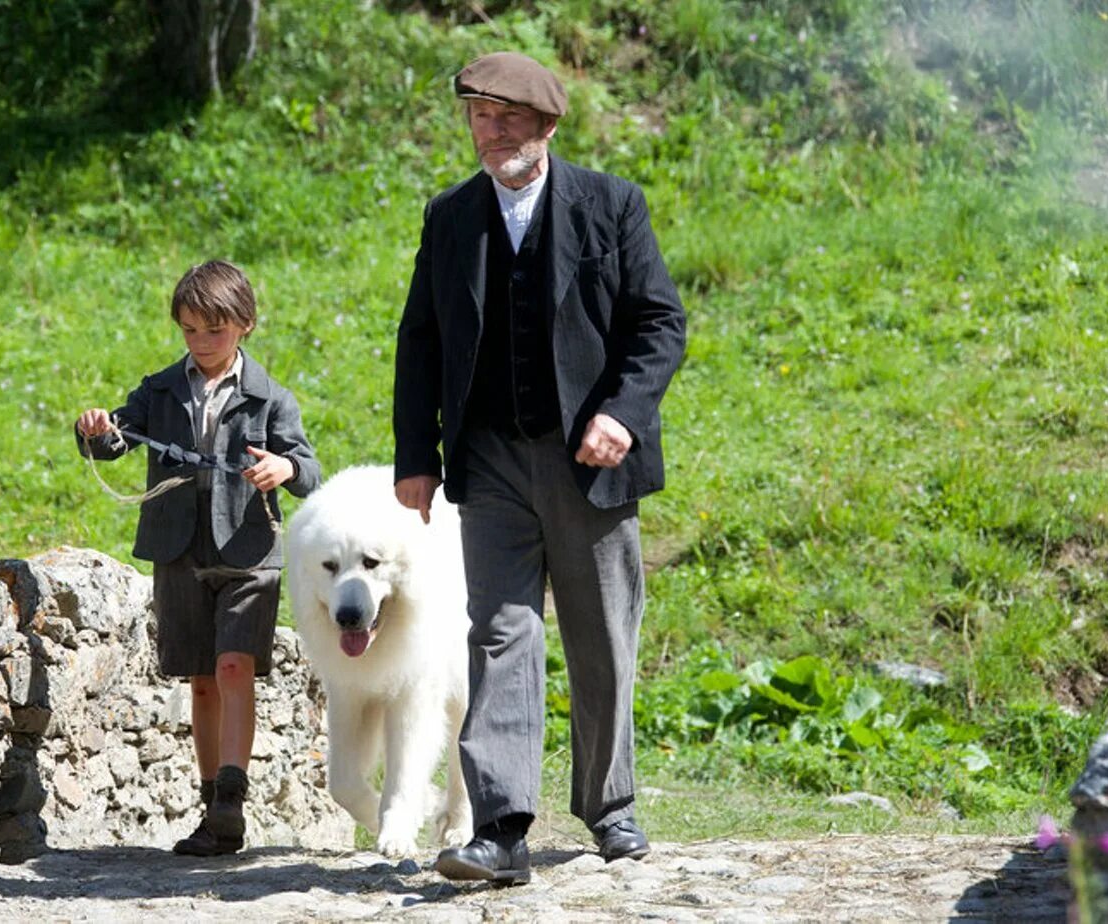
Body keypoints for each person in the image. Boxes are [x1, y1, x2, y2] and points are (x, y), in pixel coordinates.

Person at [392, 52, 686, 884]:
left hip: (587, 465)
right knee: (500, 632)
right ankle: (502, 828)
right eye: (479, 119)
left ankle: (612, 808)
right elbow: (420, 341)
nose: (490, 134)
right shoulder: (449, 216)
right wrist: (417, 455)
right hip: (487, 464)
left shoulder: (611, 205)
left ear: (546, 126)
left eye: (507, 119)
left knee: (600, 636)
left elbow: (660, 324)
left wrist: (622, 416)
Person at [76, 259, 321, 856]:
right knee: (203, 681)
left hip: (248, 552)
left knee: (236, 667)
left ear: (244, 325)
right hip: (178, 548)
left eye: (214, 330)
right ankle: (212, 808)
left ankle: (232, 800)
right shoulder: (158, 389)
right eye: (189, 330)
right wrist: (95, 430)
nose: (201, 342)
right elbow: (114, 442)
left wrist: (283, 467)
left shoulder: (270, 398)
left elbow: (309, 471)